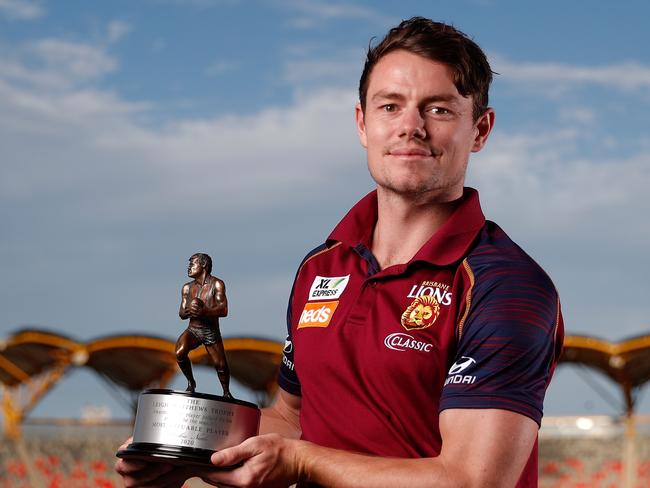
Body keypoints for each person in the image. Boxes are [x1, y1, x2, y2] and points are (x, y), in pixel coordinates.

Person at [116, 17, 564, 487]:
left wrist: (303, 462)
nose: (411, 127)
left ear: (480, 130)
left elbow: (471, 480)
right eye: (390, 106)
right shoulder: (320, 267)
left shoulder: (508, 286)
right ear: (362, 123)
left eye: (439, 110)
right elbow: (291, 421)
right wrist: (179, 453)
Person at [176, 252, 231, 397]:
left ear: (203, 265)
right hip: (193, 330)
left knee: (221, 365)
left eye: (192, 264)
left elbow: (224, 309)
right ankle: (190, 382)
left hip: (210, 331)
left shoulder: (217, 284)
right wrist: (189, 310)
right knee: (179, 352)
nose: (189, 267)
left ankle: (226, 392)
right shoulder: (186, 288)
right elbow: (181, 313)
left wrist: (204, 311)